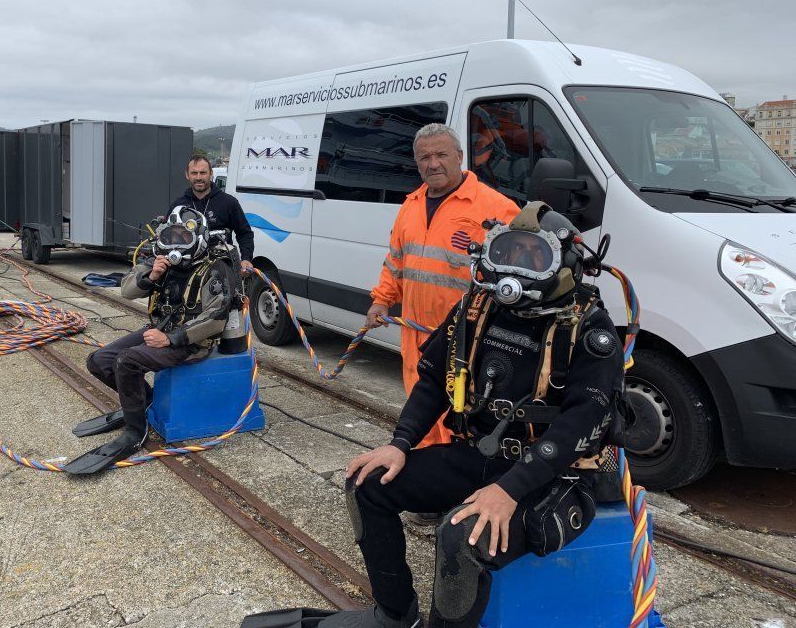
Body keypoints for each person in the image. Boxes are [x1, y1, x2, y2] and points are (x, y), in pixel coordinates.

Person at [316, 202, 626, 628]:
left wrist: (511, 490)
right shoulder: (476, 309)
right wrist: (400, 443)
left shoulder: (590, 330)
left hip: (556, 476)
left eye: (533, 258)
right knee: (365, 484)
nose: (515, 270)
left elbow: (581, 425)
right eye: (506, 254)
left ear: (565, 264)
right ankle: (394, 614)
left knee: (460, 534)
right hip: (481, 457)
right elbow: (432, 383)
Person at [366, 124, 519, 457]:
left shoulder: (497, 209)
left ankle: (455, 484)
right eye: (424, 157)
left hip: (465, 341)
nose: (433, 163)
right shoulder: (411, 204)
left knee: (462, 417)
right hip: (416, 339)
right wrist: (381, 301)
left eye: (441, 154)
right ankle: (425, 479)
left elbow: (516, 281)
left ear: (460, 157)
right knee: (419, 415)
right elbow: (396, 262)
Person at [64, 206, 242, 474]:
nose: (175, 245)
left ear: (199, 238)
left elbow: (215, 318)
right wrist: (151, 275)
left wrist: (170, 339)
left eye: (183, 238)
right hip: (159, 329)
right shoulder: (160, 262)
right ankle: (144, 402)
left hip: (191, 342)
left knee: (127, 360)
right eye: (170, 237)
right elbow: (126, 290)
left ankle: (136, 430)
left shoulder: (214, 269)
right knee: (98, 361)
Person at [170, 154, 254, 273]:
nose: (198, 177)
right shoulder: (178, 206)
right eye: (194, 173)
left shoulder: (228, 202)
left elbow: (244, 233)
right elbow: (168, 235)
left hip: (221, 269)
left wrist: (246, 258)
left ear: (211, 174)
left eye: (203, 173)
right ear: (187, 175)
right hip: (184, 268)